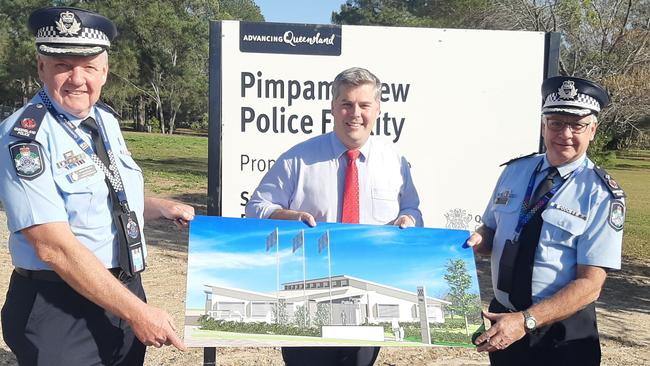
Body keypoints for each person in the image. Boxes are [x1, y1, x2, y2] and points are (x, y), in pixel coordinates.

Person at [0, 7, 195, 366]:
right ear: (41, 67)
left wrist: (157, 206)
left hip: (119, 294)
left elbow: (105, 192)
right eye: (63, 65)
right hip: (60, 306)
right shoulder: (25, 138)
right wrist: (138, 312)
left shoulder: (102, 119)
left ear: (104, 72)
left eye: (88, 66)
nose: (77, 78)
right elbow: (52, 247)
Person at [246, 67, 423, 366]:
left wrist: (409, 221)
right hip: (307, 296)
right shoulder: (297, 159)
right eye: (346, 104)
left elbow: (412, 209)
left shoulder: (395, 162)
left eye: (364, 105)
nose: (355, 113)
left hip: (368, 296)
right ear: (333, 107)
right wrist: (287, 216)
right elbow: (256, 208)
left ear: (377, 110)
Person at [466, 76, 624, 365]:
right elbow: (490, 230)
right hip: (504, 319)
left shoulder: (600, 194)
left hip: (562, 335)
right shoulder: (514, 172)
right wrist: (476, 240)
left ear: (593, 130)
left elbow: (591, 284)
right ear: (543, 126)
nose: (565, 133)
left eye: (576, 125)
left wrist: (525, 321)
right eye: (556, 123)